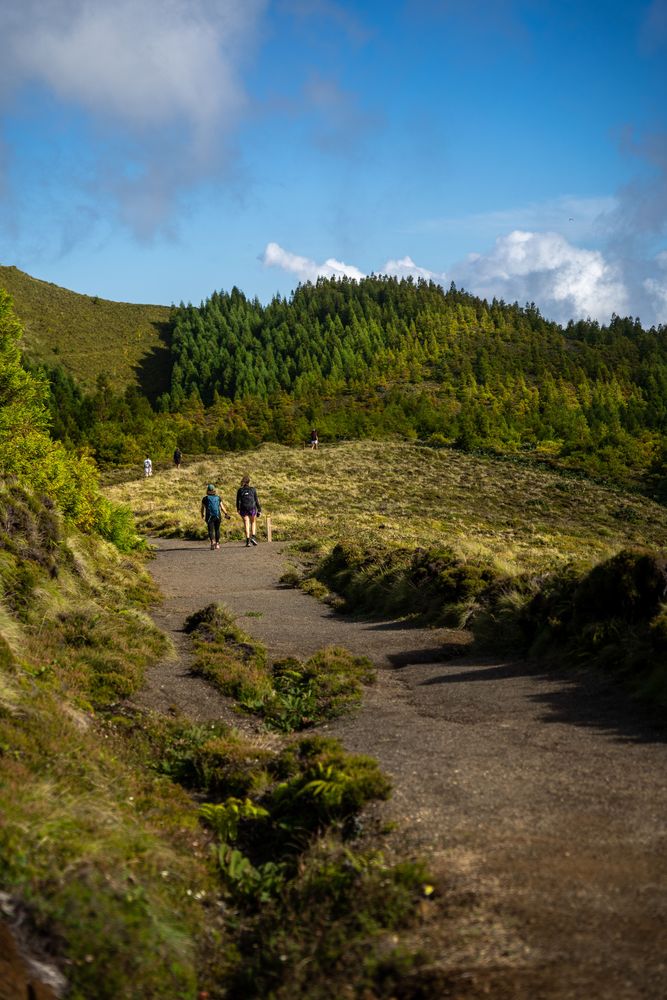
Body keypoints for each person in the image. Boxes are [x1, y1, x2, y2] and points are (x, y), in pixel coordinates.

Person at [200, 483, 231, 550]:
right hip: (217, 516)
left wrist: (202, 514)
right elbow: (222, 507)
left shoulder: (205, 498)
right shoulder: (218, 498)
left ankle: (212, 543)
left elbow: (202, 508)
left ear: (207, 490)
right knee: (217, 529)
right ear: (214, 490)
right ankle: (217, 544)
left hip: (209, 516)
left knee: (210, 530)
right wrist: (226, 513)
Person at [236, 474, 261, 547]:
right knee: (253, 522)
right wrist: (259, 509)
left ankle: (247, 542)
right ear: (249, 482)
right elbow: (256, 500)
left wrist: (238, 508)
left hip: (243, 508)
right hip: (252, 508)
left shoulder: (240, 490)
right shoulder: (253, 489)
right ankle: (253, 537)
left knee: (246, 524)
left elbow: (237, 501)